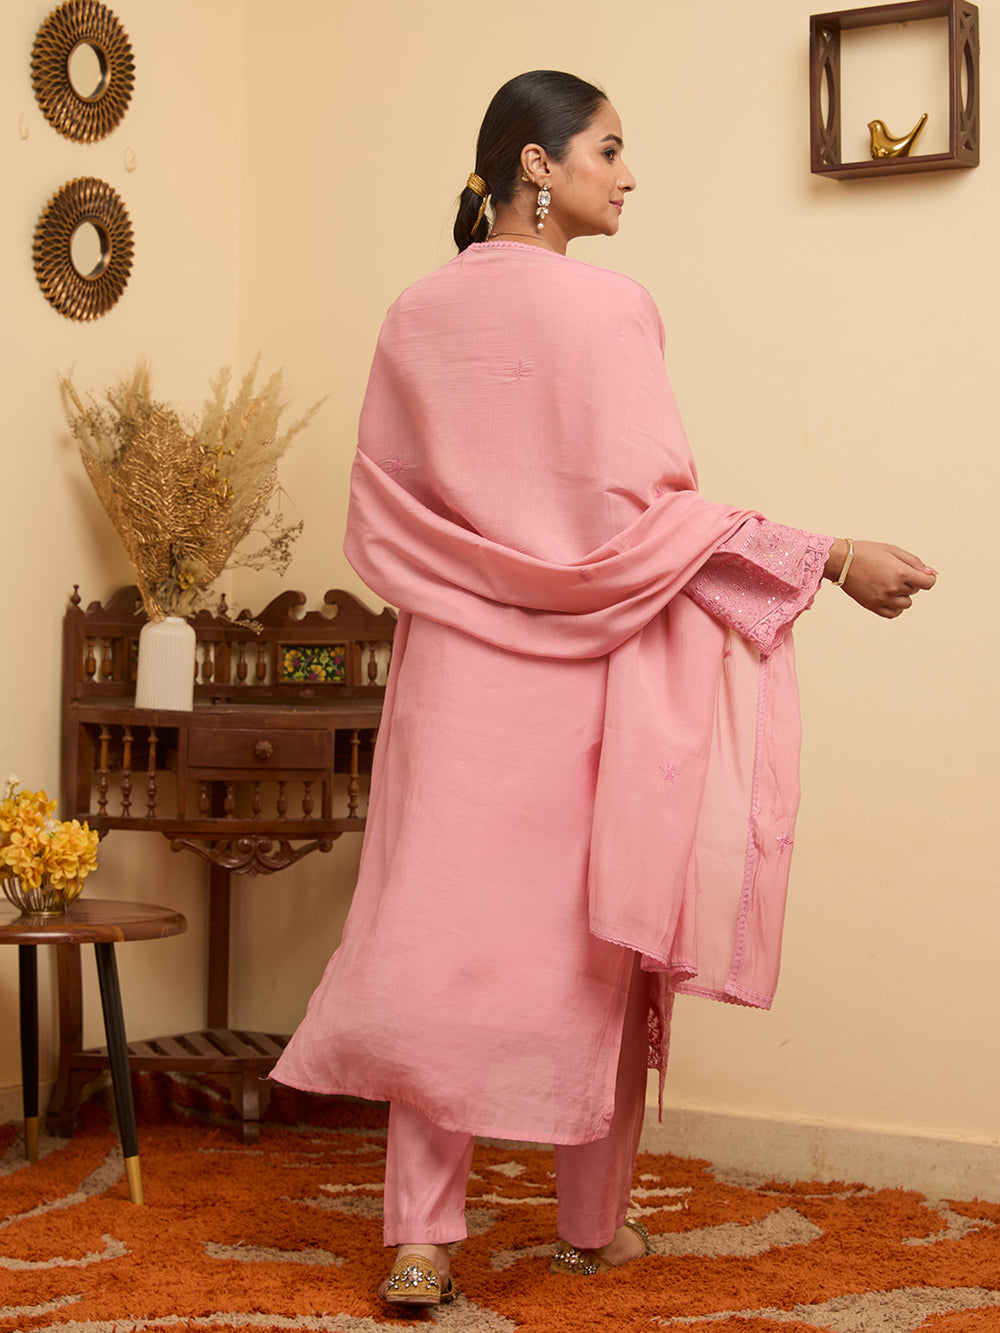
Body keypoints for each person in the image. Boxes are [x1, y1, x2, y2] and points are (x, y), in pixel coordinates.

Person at [271, 70, 936, 1306]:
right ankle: (589, 1222)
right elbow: (654, 528)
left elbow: (382, 516)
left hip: (456, 683)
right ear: (536, 162)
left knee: (438, 945)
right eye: (610, 149)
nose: (628, 176)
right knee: (603, 933)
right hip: (588, 681)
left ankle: (420, 1240)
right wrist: (833, 556)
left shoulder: (413, 315)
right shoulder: (612, 309)